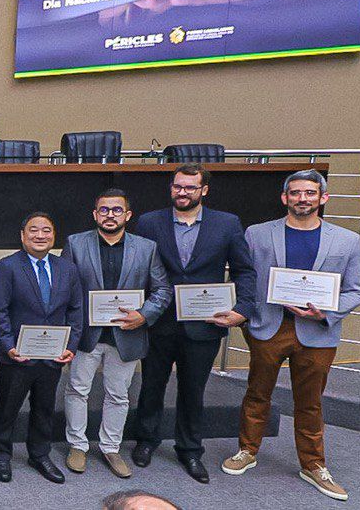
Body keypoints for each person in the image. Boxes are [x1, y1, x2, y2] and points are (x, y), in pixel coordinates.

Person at [221, 170, 360, 501]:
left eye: (310, 193)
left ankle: (314, 465)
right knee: (257, 393)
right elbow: (244, 275)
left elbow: (357, 289)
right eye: (296, 193)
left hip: (317, 331)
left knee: (310, 401)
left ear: (323, 198)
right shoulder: (256, 234)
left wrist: (325, 311)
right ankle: (247, 450)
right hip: (269, 326)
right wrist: (242, 311)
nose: (303, 198)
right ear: (285, 198)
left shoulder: (345, 240)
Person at [130, 163, 257, 483]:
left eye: (190, 187)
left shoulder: (227, 224)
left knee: (193, 389)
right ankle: (146, 440)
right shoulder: (149, 222)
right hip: (159, 322)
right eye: (177, 186)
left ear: (204, 190)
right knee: (151, 386)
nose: (182, 192)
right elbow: (138, 269)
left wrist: (242, 310)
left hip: (205, 323)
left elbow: (244, 270)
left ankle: (189, 449)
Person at [60, 189, 171, 479]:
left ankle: (111, 447)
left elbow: (162, 290)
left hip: (127, 334)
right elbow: (65, 288)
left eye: (117, 210)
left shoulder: (146, 248)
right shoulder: (75, 244)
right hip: (87, 334)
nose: (110, 215)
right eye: (104, 210)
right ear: (95, 214)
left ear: (128, 215)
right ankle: (77, 445)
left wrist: (144, 315)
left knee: (119, 396)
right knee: (77, 391)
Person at [0, 211, 84, 484]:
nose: (40, 235)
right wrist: (8, 346)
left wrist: (71, 346)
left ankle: (40, 454)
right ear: (22, 235)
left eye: (46, 231)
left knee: (44, 408)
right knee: (7, 408)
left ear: (54, 236)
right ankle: (1, 455)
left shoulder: (68, 268)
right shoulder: (7, 266)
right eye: (33, 230)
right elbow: (0, 311)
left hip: (53, 355)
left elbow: (76, 310)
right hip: (16, 356)